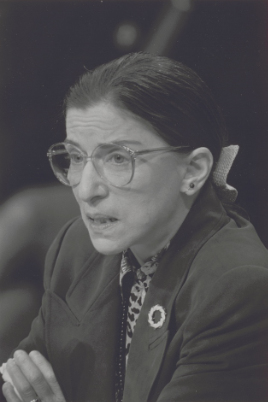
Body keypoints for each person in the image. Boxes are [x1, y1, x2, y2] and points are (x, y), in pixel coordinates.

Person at [1, 52, 268, 402]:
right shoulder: (75, 245)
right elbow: (21, 384)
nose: (85, 190)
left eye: (117, 159)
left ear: (193, 171)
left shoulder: (239, 287)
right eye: (76, 157)